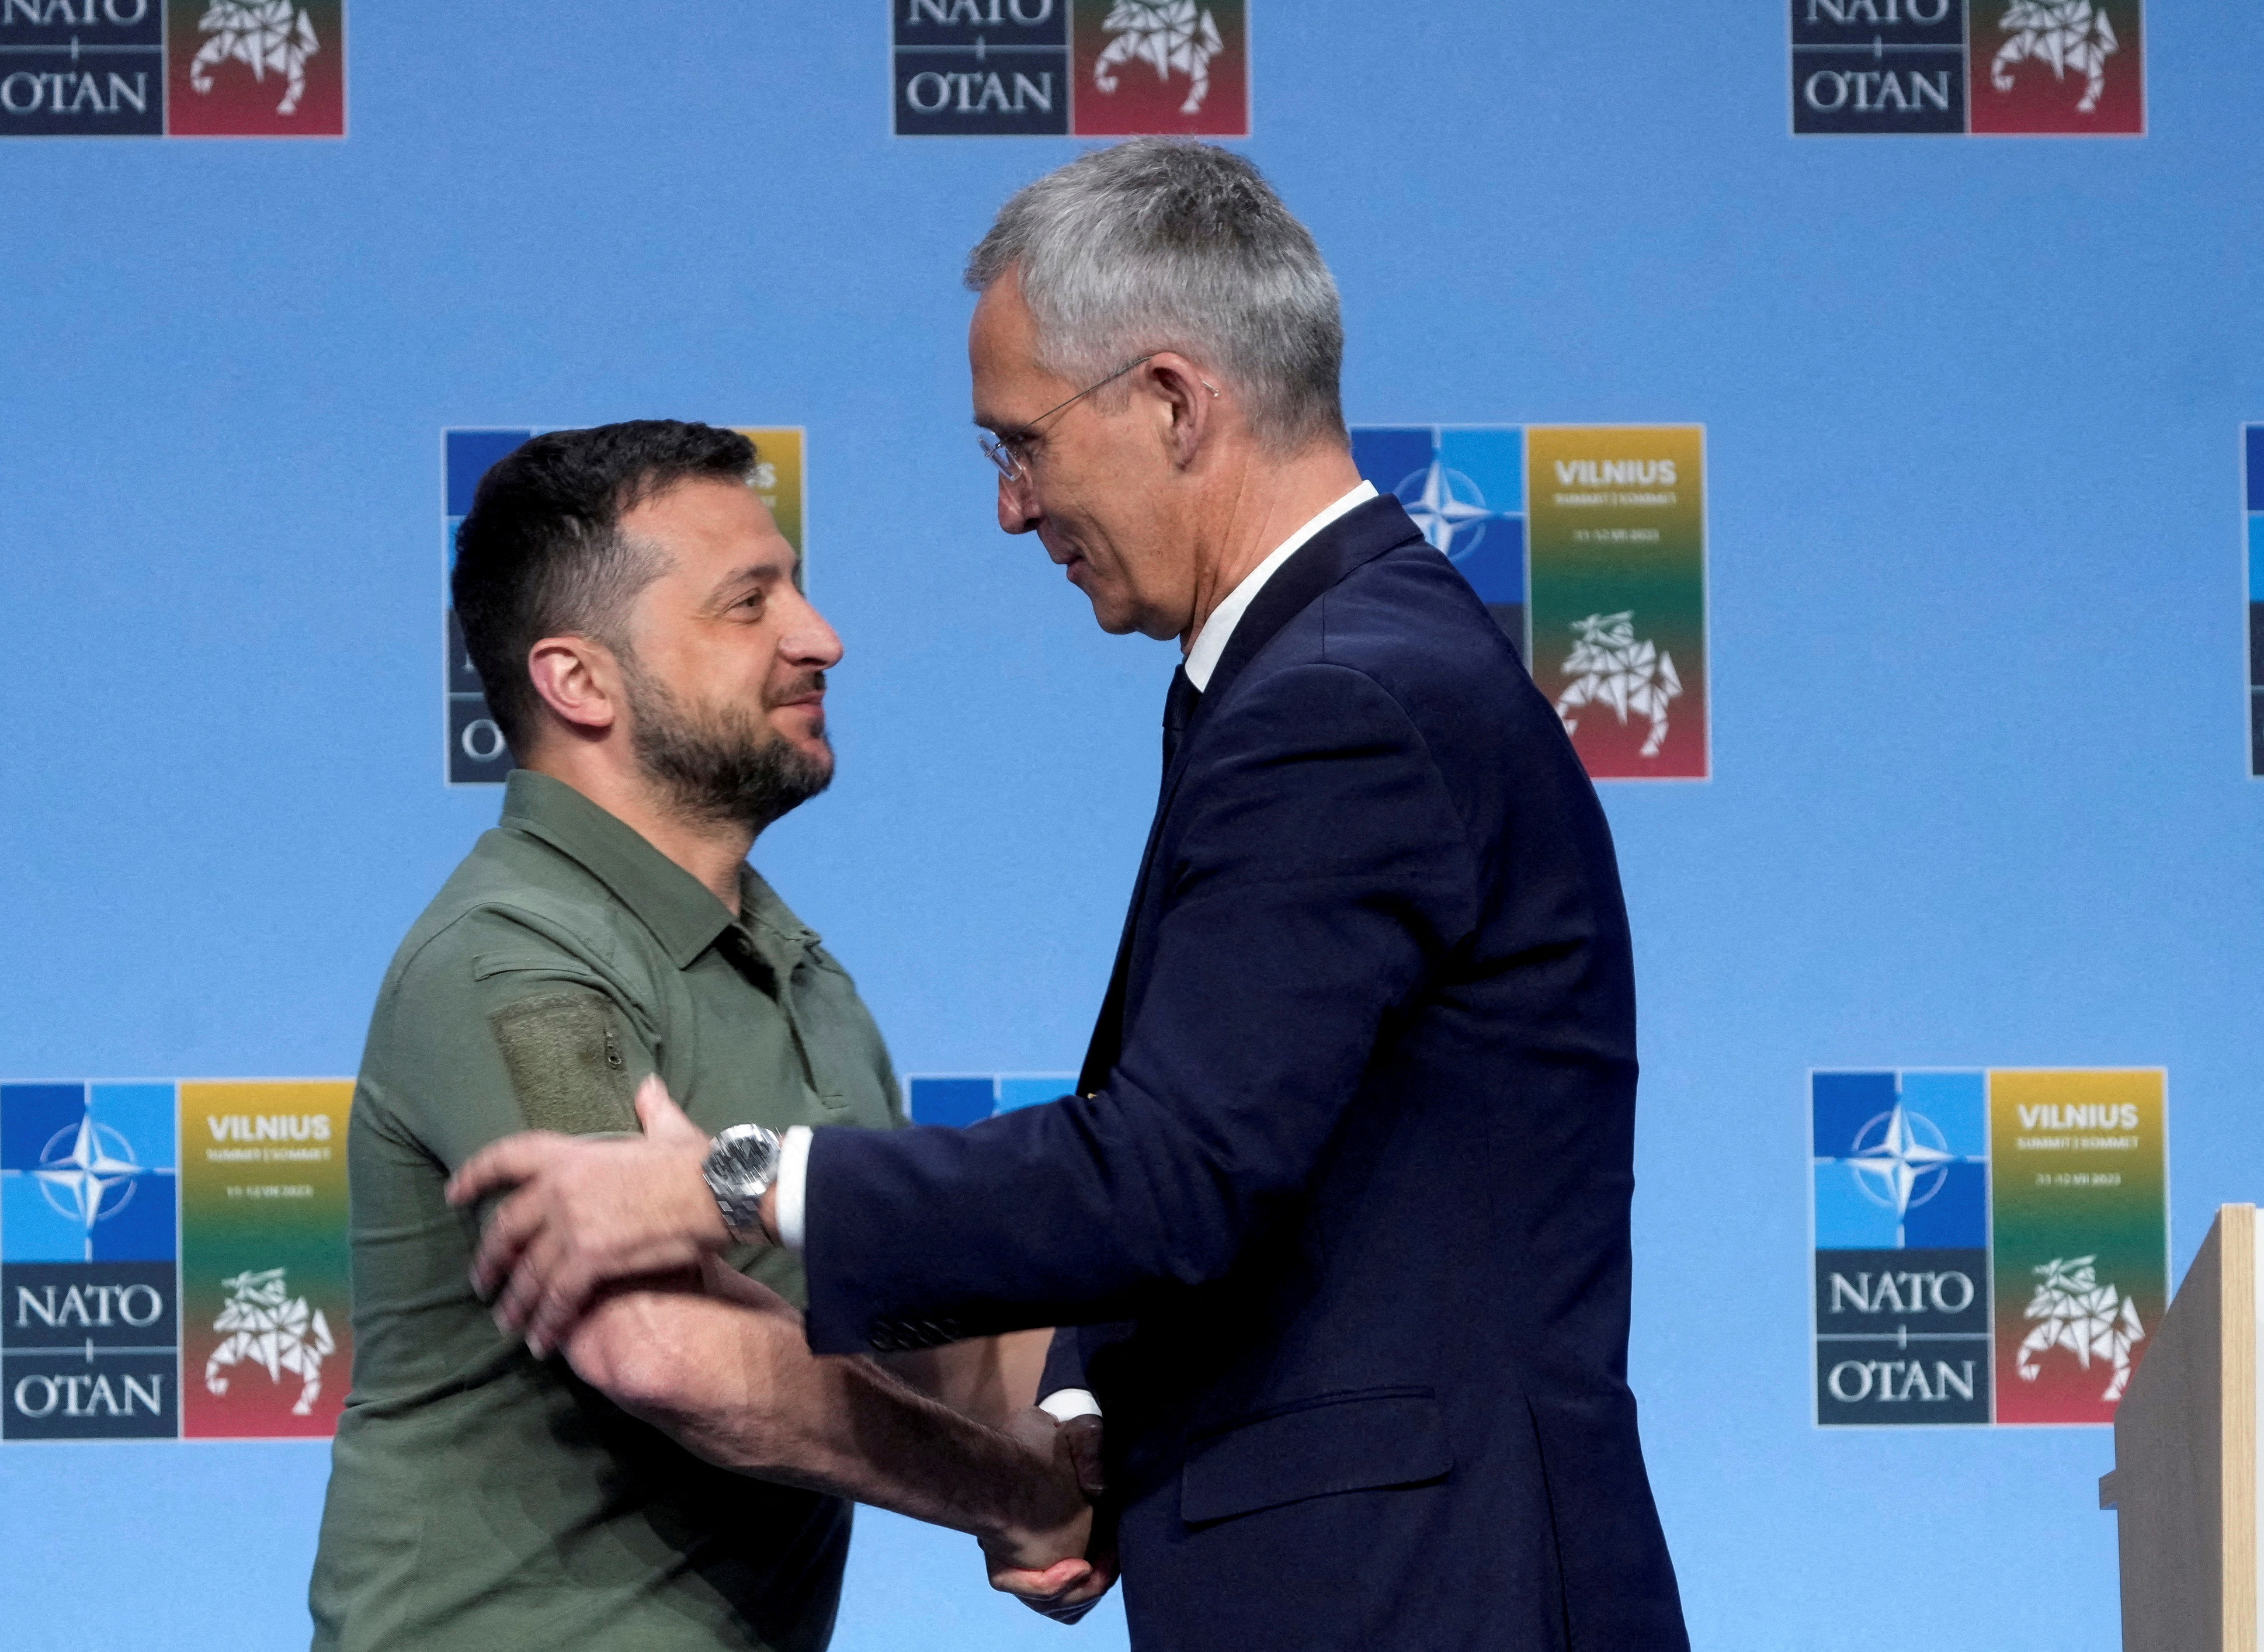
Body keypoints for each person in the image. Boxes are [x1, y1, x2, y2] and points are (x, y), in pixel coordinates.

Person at [450, 147, 1693, 1650]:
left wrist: (723, 1182)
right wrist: (1084, 1397)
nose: (1011, 506)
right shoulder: (1333, 670)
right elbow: (1282, 1155)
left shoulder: (1344, 702)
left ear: (1173, 401)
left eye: (1019, 445)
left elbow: (1173, 1174)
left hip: (1426, 1593)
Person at [307, 420, 1099, 1652]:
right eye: (749, 603)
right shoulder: (516, 955)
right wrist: (1022, 1496)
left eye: (795, 583)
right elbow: (666, 1346)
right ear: (580, 683)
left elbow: (932, 1333)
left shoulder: (802, 974)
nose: (819, 635)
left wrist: (1134, 1436)